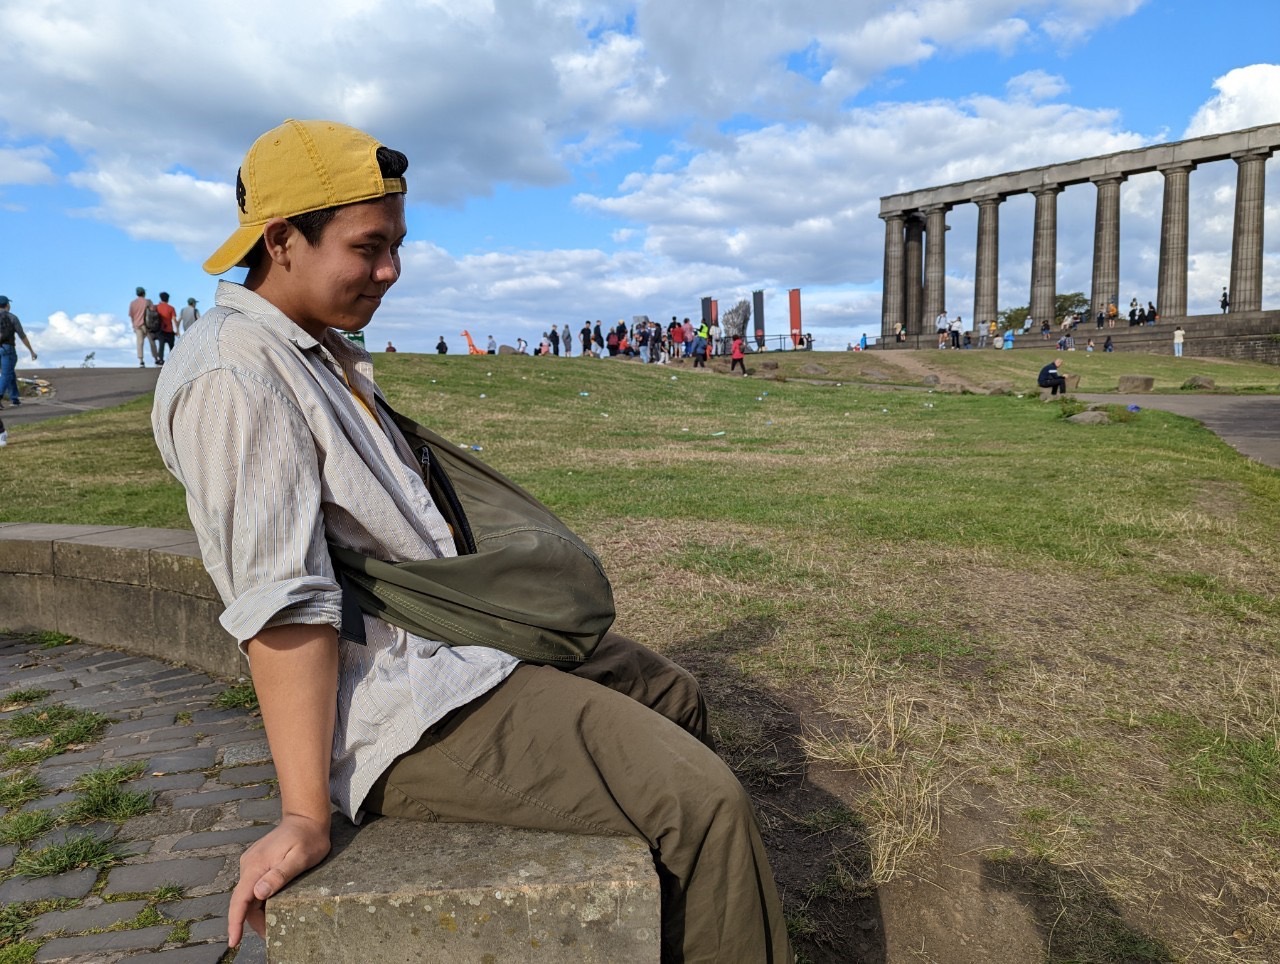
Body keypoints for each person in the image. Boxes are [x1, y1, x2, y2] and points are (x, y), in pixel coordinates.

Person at [149, 119, 791, 963]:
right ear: (282, 241)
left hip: (459, 646)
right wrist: (306, 814)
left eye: (397, 245)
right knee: (703, 804)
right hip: (405, 704)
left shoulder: (308, 350)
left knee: (670, 693)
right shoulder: (235, 373)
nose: (391, 271)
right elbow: (283, 605)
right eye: (369, 247)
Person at [0, 296, 37, 408]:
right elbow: (22, 336)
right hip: (7, 349)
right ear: (7, 305)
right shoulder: (12, 318)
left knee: (9, 372)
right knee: (6, 374)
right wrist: (31, 351)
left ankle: (14, 398)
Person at [129, 286, 158, 368]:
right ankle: (156, 358)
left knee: (140, 343)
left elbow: (131, 315)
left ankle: (141, 361)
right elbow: (153, 310)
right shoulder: (147, 301)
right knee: (152, 342)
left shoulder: (132, 303)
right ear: (144, 293)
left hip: (137, 325)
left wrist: (133, 325)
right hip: (147, 325)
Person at [154, 292, 178, 364]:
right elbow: (174, 319)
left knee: (161, 345)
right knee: (171, 346)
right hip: (169, 330)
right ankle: (173, 361)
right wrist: (177, 330)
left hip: (160, 330)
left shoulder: (157, 307)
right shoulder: (171, 308)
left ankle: (161, 359)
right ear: (168, 299)